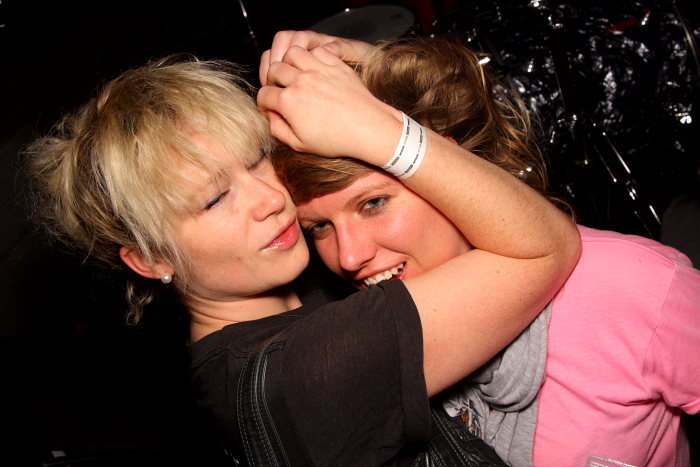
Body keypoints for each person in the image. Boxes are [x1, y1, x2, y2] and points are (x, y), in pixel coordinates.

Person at [26, 50, 579, 465]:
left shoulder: (300, 294)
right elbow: (543, 246)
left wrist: (363, 72)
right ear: (149, 261)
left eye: (256, 161)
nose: (271, 199)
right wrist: (378, 128)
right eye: (215, 199)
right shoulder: (298, 375)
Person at [269, 33, 700, 467]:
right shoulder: (361, 340)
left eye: (373, 203)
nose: (348, 257)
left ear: (446, 166)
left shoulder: (635, 286)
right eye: (320, 227)